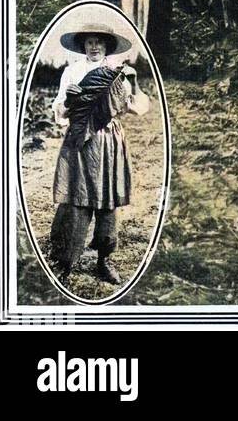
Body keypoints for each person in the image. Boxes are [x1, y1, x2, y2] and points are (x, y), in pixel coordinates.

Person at [49, 22, 148, 284]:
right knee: (77, 197)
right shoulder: (73, 71)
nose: (94, 46)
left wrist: (134, 82)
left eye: (99, 42)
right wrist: (68, 102)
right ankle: (66, 260)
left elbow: (137, 108)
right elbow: (60, 109)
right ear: (83, 45)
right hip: (80, 139)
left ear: (107, 46)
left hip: (108, 140)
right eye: (90, 42)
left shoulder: (118, 73)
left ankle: (104, 260)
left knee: (108, 197)